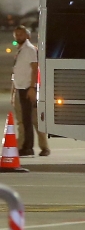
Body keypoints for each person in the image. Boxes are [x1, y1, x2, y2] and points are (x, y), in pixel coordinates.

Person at [9, 26, 49, 157]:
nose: (18, 37)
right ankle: (27, 146)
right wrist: (13, 91)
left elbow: (34, 69)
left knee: (29, 119)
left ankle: (28, 147)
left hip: (27, 88)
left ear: (27, 35)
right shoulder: (21, 50)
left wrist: (32, 88)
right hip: (20, 88)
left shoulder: (29, 50)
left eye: (20, 34)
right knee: (26, 119)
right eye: (16, 34)